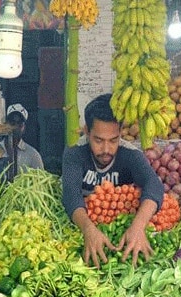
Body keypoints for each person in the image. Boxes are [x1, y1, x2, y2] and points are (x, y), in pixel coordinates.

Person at [61, 93, 164, 267]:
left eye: (113, 140)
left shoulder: (130, 155)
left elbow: (153, 185)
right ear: (87, 131)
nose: (106, 149)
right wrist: (88, 229)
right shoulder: (74, 154)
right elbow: (71, 195)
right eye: (98, 140)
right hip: (84, 228)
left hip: (123, 231)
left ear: (120, 132)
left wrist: (138, 226)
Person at [6, 104, 44, 172]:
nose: (15, 127)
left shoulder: (33, 155)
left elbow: (40, 181)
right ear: (5, 124)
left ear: (24, 128)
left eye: (19, 124)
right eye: (12, 123)